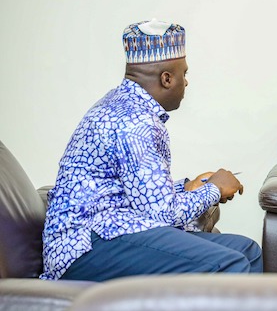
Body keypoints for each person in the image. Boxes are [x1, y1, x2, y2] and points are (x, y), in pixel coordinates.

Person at [40, 19, 263, 281]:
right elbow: (162, 214)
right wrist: (214, 189)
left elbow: (141, 195)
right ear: (167, 79)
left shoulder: (125, 106)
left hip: (116, 228)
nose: (187, 83)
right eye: (184, 74)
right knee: (229, 264)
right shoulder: (134, 121)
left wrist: (188, 186)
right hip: (85, 244)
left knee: (247, 251)